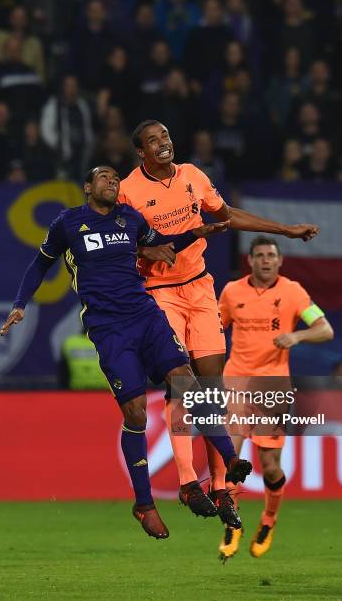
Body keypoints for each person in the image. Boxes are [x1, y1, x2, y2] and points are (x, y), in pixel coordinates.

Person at [0, 165, 252, 540]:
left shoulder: (129, 218)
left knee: (187, 382)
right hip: (108, 328)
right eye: (103, 177)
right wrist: (21, 303)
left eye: (116, 178)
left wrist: (196, 232)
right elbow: (41, 263)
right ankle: (144, 504)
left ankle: (230, 460)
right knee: (135, 413)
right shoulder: (68, 223)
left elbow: (163, 243)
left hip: (145, 314)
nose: (112, 182)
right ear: (87, 187)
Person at [119, 120, 319, 528]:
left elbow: (226, 217)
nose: (163, 144)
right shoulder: (128, 191)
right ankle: (188, 480)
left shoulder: (193, 176)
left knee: (211, 383)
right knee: (181, 379)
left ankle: (220, 486)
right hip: (159, 292)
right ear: (141, 152)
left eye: (167, 137)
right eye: (153, 141)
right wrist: (145, 251)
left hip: (200, 288)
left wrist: (285, 230)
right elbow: (120, 241)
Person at [217, 236, 334, 561]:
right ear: (250, 260)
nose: (266, 260)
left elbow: (326, 330)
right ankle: (232, 523)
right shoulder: (231, 292)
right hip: (236, 382)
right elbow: (213, 329)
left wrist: (297, 335)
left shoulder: (293, 292)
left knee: (270, 468)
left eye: (271, 255)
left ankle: (268, 519)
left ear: (279, 261)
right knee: (230, 458)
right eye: (260, 255)